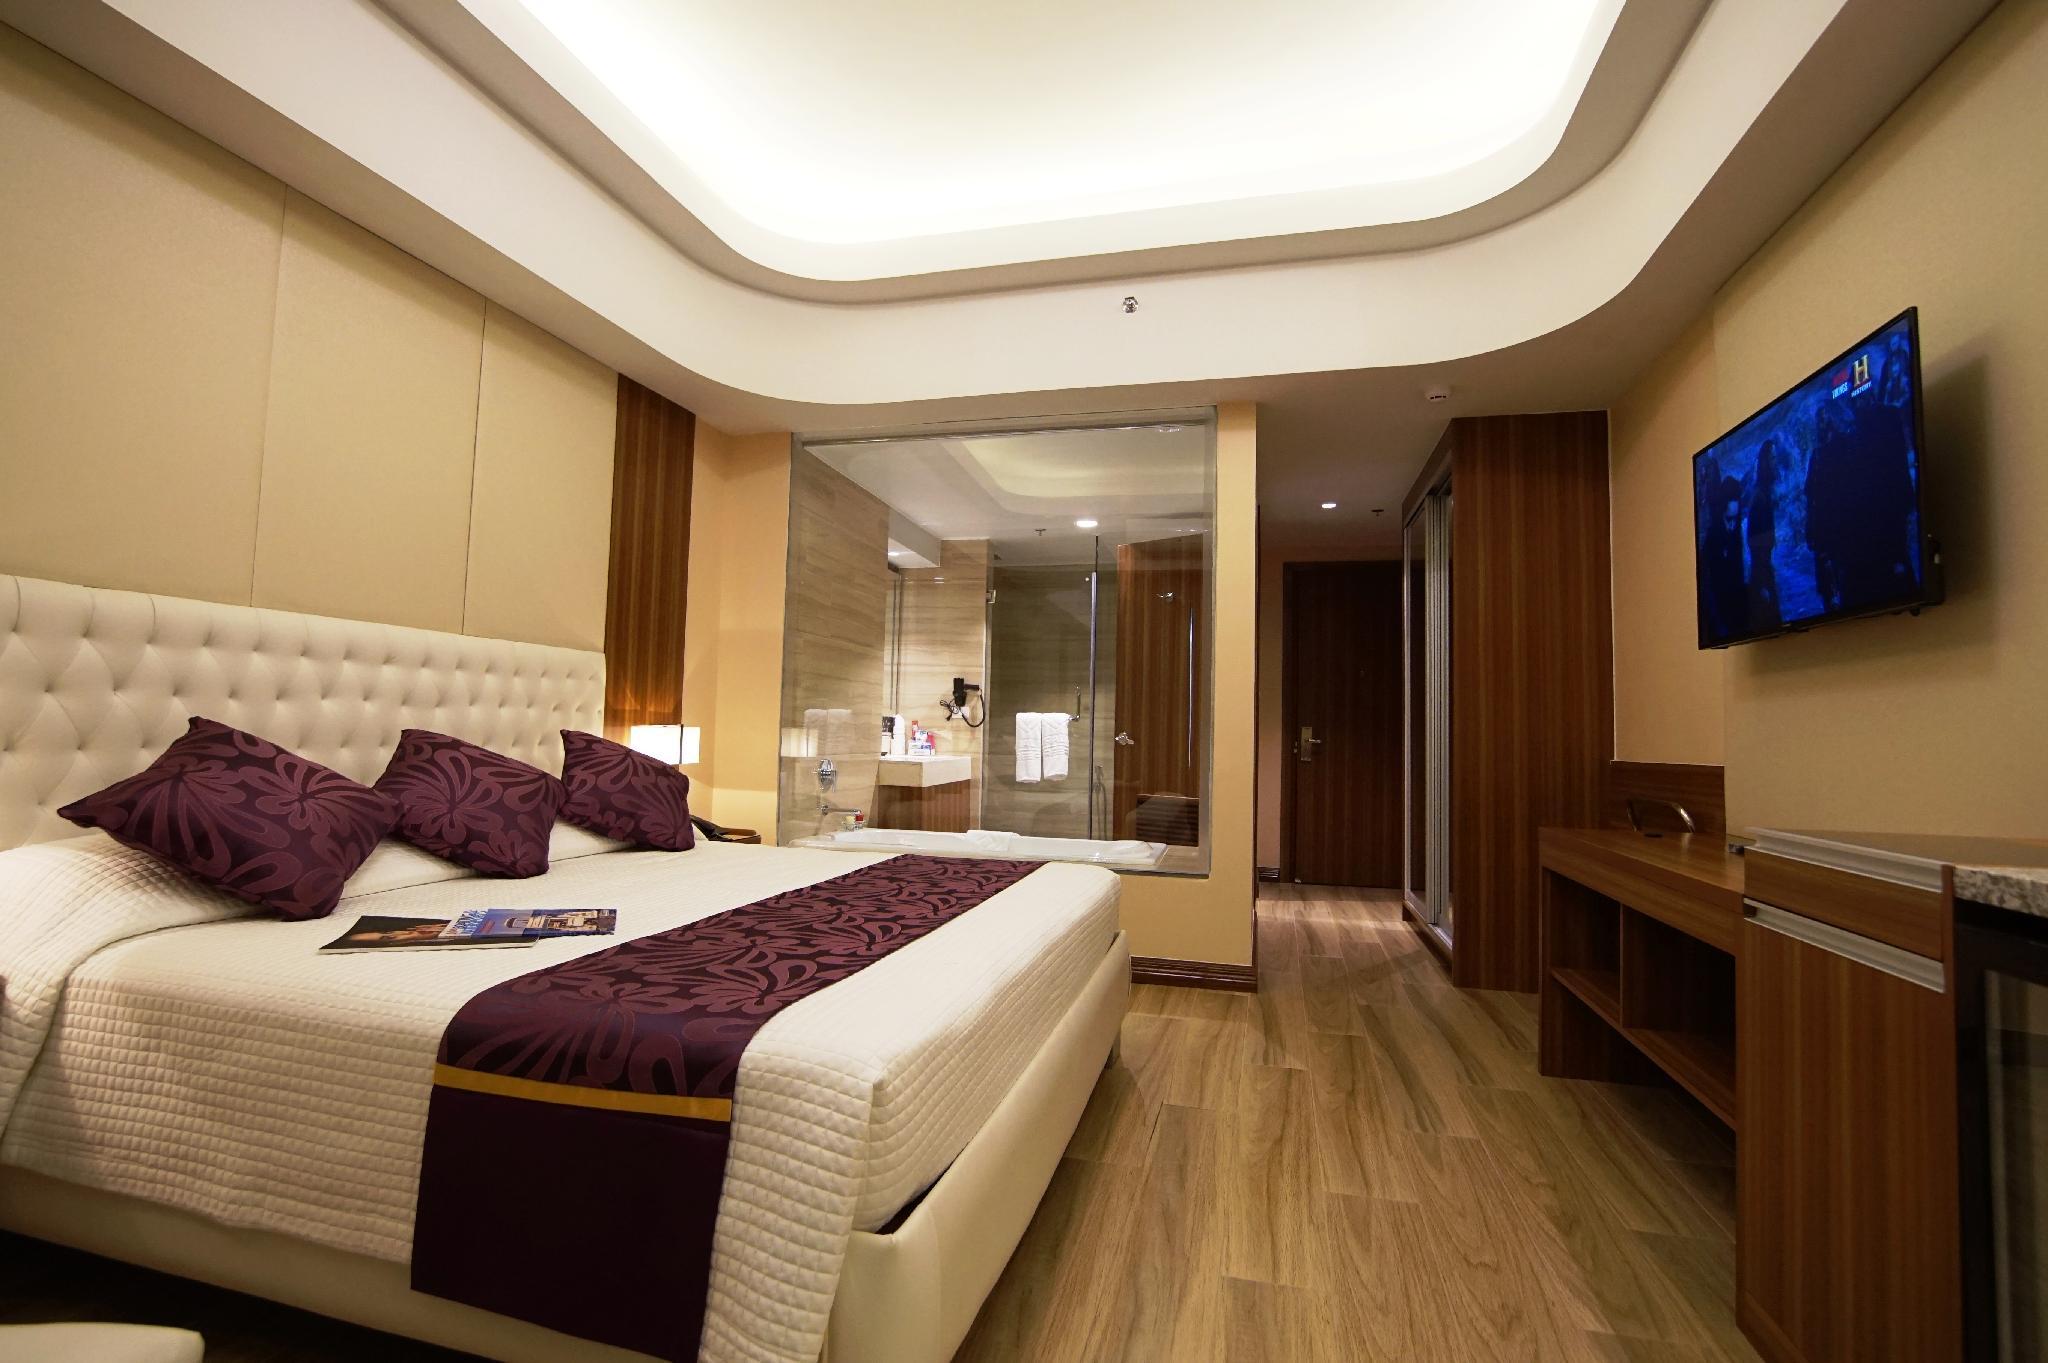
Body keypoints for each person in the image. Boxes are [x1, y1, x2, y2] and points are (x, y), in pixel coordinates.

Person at [1702, 475, 1747, 640]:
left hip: (1737, 600)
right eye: (1732, 499)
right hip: (1722, 603)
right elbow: (1713, 579)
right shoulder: (1713, 534)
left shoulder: (1736, 529)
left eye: (1737, 499)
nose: (1736, 504)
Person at [1745, 442, 1782, 632]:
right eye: (1772, 458)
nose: (1775, 462)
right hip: (1761, 564)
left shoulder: (1763, 493)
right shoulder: (1759, 495)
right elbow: (1754, 538)